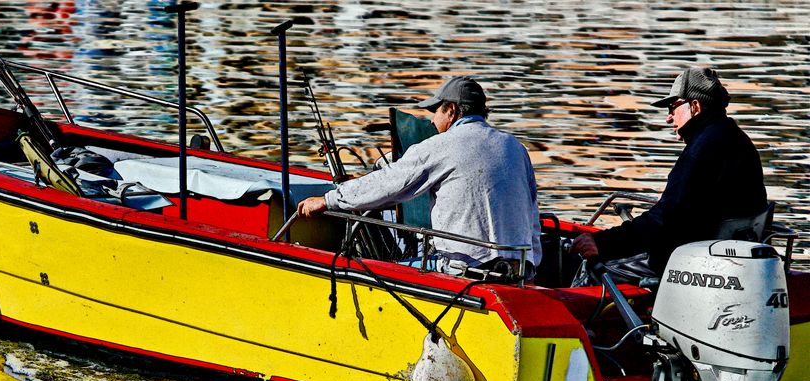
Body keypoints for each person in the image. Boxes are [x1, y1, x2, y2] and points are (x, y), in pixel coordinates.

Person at [296, 76, 541, 281]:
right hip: (519, 271)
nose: (432, 121)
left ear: (451, 111)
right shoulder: (515, 147)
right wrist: (533, 268)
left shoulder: (442, 145)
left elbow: (388, 184)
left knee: (373, 270)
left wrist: (328, 200)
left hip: (467, 270)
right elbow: (533, 214)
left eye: (435, 111)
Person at [572, 66, 768, 283]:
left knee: (589, 267)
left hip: (690, 263)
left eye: (673, 107)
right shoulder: (737, 139)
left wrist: (602, 243)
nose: (668, 117)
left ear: (694, 106)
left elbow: (664, 220)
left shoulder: (701, 150)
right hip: (726, 255)